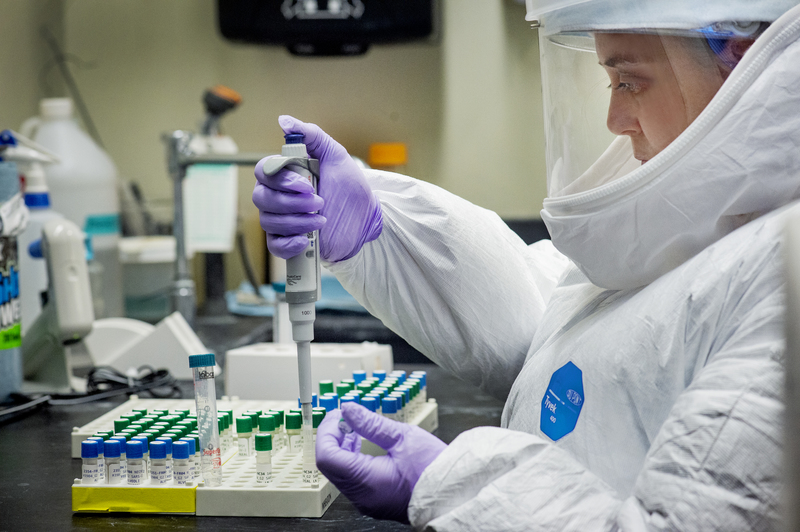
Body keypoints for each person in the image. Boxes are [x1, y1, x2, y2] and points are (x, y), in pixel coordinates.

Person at [252, 1, 800, 529]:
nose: (613, 119)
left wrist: (454, 485)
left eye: (629, 80)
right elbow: (568, 339)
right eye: (609, 84)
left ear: (746, 63)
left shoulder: (785, 278)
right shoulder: (703, 227)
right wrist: (382, 229)